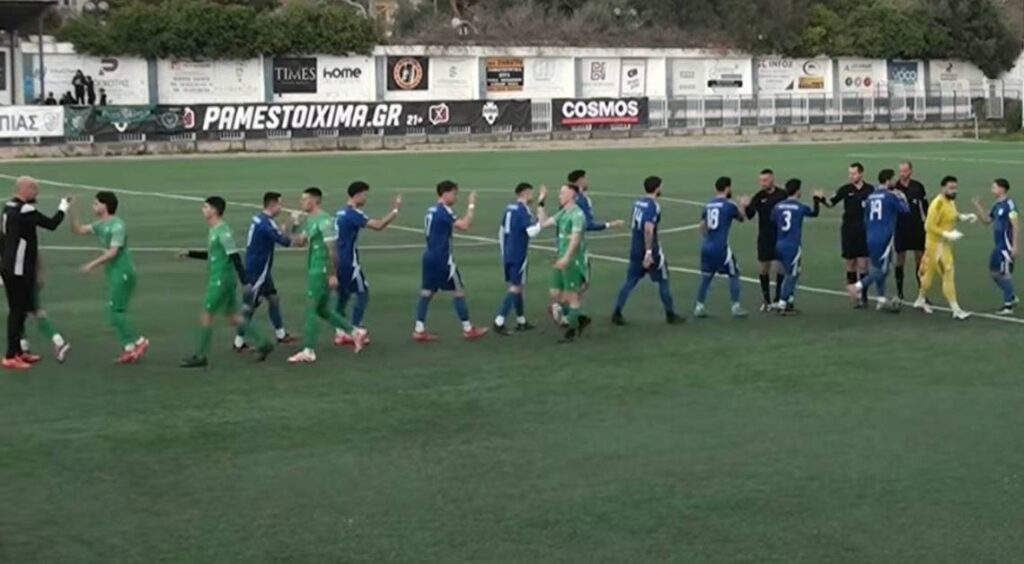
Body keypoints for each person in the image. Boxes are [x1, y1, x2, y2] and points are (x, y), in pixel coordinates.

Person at [180, 197, 273, 368]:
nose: (202, 210)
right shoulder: (214, 230)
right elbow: (213, 255)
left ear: (214, 210)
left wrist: (245, 282)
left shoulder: (223, 231)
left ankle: (201, 356)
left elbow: (234, 256)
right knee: (232, 317)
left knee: (206, 315)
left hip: (221, 280)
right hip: (221, 279)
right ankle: (263, 343)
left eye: (205, 207)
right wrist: (189, 253)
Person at [287, 187, 366, 363]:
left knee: (311, 308)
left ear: (314, 200)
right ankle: (354, 332)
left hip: (321, 269)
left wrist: (332, 274)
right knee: (322, 309)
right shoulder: (311, 220)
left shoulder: (324, 221)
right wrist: (294, 224)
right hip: (314, 268)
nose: (301, 202)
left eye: (304, 199)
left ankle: (308, 350)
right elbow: (299, 242)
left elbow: (332, 249)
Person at [69, 192, 150, 363]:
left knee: (115, 312)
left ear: (105, 206)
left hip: (123, 272)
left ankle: (138, 341)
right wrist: (72, 209)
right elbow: (78, 230)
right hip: (114, 272)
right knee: (115, 312)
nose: (93, 206)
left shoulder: (117, 226)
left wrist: (91, 265)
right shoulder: (101, 225)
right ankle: (129, 348)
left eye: (96, 203)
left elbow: (113, 252)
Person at [0, 177, 71, 370]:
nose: (36, 194)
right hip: (19, 268)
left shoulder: (8, 208)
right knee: (17, 312)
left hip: (12, 266)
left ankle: (19, 351)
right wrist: (63, 206)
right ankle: (10, 356)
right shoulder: (25, 210)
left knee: (21, 310)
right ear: (26, 188)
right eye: (35, 189)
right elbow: (51, 224)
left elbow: (3, 237)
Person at [413, 181, 487, 342]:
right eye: (454, 193)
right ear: (445, 193)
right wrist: (471, 205)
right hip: (443, 258)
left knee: (427, 292)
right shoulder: (444, 211)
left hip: (429, 256)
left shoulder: (430, 210)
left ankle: (419, 329)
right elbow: (464, 225)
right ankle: (468, 328)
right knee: (458, 291)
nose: (456, 197)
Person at [549, 170, 623, 323]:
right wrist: (610, 224)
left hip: (562, 246)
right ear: (580, 181)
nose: (587, 181)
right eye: (585, 178)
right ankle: (567, 314)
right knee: (581, 284)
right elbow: (587, 225)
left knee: (569, 283)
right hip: (575, 250)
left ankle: (567, 310)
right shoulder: (581, 200)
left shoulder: (567, 200)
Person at [334, 182, 402, 345]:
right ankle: (355, 329)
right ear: (357, 195)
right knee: (363, 293)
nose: (366, 198)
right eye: (365, 195)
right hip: (349, 261)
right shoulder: (353, 214)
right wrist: (395, 210)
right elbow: (378, 225)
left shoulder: (339, 212)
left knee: (343, 296)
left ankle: (340, 331)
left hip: (336, 259)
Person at [611, 175, 684, 324]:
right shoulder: (653, 206)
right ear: (657, 188)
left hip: (635, 248)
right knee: (663, 281)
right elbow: (648, 229)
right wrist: (649, 252)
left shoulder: (637, 203)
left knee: (630, 281)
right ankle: (670, 314)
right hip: (650, 251)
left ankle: (617, 312)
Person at [233, 191, 296, 353]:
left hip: (261, 270)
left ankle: (281, 334)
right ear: (272, 204)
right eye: (280, 204)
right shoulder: (265, 224)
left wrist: (285, 226)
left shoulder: (259, 219)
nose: (281, 208)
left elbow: (276, 233)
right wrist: (294, 224)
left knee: (273, 299)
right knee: (249, 307)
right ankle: (238, 342)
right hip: (257, 272)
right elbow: (286, 241)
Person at [913, 176, 976, 320]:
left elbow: (952, 215)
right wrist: (946, 234)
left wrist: (963, 217)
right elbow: (928, 226)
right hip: (936, 246)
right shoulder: (937, 204)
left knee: (928, 275)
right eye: (951, 188)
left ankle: (920, 299)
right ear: (943, 188)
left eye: (955, 188)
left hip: (943, 244)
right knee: (947, 274)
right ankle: (956, 309)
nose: (954, 191)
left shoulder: (950, 201)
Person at [847, 169, 910, 310]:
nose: (895, 181)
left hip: (871, 236)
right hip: (884, 237)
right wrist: (902, 197)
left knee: (878, 267)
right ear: (887, 180)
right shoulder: (891, 196)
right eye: (893, 179)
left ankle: (881, 299)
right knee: (882, 270)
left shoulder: (871, 197)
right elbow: (905, 210)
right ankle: (857, 286)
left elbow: (865, 218)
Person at [537, 185, 590, 343]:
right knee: (555, 293)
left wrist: (567, 257)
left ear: (571, 194)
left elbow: (575, 239)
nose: (559, 195)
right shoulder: (563, 212)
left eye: (562, 193)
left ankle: (572, 331)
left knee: (571, 296)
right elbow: (543, 223)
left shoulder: (577, 214)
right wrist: (541, 202)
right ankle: (579, 317)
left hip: (572, 260)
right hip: (560, 258)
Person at [693, 176, 750, 319]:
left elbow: (702, 227)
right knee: (734, 273)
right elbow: (742, 218)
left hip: (707, 246)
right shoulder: (729, 205)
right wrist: (743, 205)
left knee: (706, 277)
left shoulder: (708, 205)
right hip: (720, 247)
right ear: (727, 188)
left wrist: (709, 238)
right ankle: (735, 306)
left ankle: (699, 306)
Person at [494, 182, 546, 335]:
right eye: (531, 192)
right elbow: (531, 232)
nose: (533, 195)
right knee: (515, 287)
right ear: (525, 193)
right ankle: (499, 320)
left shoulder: (509, 208)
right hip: (519, 254)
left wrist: (504, 251)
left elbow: (501, 231)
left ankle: (521, 320)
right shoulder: (523, 210)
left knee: (517, 287)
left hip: (508, 253)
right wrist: (541, 222)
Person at [773, 179, 825, 315]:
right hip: (792, 245)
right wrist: (816, 200)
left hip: (779, 243)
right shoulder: (800, 207)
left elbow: (773, 220)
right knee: (792, 275)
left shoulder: (778, 206)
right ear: (797, 191)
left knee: (790, 272)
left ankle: (789, 301)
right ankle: (782, 304)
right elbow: (814, 213)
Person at [826, 162, 874, 308]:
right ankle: (855, 295)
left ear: (861, 173)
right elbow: (831, 203)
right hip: (848, 231)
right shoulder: (846, 189)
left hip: (864, 230)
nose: (851, 176)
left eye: (854, 173)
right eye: (850, 174)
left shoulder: (870, 190)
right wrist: (820, 199)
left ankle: (864, 296)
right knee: (850, 263)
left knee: (863, 264)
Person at [972, 179, 1019, 315]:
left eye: (994, 187)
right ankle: (1011, 296)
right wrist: (977, 205)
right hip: (998, 246)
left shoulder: (1010, 205)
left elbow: (1016, 225)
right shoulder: (997, 205)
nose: (992, 189)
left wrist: (1015, 246)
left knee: (1004, 275)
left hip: (1006, 246)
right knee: (994, 273)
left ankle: (1008, 306)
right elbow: (987, 220)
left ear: (1002, 189)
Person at [745, 168, 788, 310]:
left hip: (780, 236)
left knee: (780, 267)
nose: (762, 183)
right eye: (761, 181)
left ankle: (778, 298)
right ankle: (766, 299)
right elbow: (750, 215)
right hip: (764, 236)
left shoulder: (782, 194)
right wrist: (746, 206)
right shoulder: (758, 197)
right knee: (764, 268)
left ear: (772, 180)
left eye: (765, 180)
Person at [893, 161, 928, 301]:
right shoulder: (894, 187)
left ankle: (922, 293)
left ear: (910, 171)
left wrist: (927, 221)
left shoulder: (918, 186)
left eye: (905, 171)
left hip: (917, 227)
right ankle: (899, 293)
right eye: (901, 171)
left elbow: (925, 205)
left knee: (920, 260)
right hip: (901, 227)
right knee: (900, 259)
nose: (903, 174)